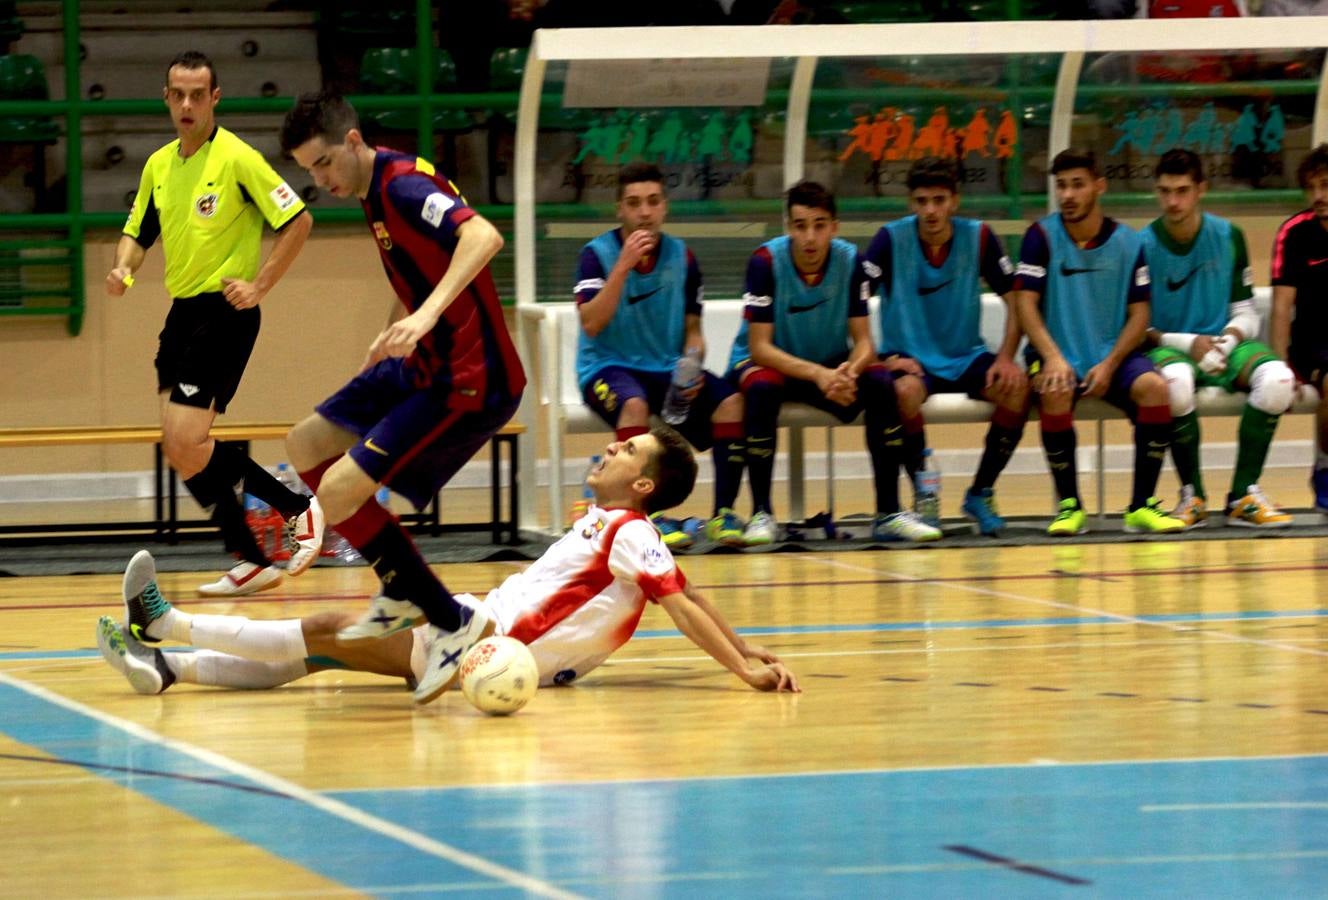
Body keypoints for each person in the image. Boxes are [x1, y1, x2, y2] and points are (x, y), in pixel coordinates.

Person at [100, 428, 800, 698]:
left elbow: (679, 605)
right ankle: (169, 669)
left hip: (481, 640)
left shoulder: (628, 529)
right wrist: (746, 647)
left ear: (642, 485)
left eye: (628, 453)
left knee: (323, 628)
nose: (613, 449)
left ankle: (166, 626)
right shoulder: (620, 528)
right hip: (479, 626)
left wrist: (742, 670)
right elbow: (689, 592)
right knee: (320, 657)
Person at [272, 92, 526, 705]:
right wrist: (399, 329)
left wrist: (426, 316)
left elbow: (483, 237)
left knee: (338, 492)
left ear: (354, 142)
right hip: (420, 363)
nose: (320, 179)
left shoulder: (405, 186)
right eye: (310, 170)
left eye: (326, 163)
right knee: (304, 443)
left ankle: (449, 621)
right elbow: (422, 270)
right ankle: (398, 583)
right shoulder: (371, 191)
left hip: (471, 379)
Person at [105, 51, 322, 598]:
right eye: (177, 94)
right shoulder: (159, 165)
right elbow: (138, 231)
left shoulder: (238, 158)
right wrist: (123, 269)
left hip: (226, 314)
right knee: (179, 447)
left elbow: (297, 220)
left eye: (197, 95)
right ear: (166, 97)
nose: (186, 104)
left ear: (215, 98)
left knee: (186, 436)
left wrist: (261, 285)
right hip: (181, 314)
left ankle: (299, 509)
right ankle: (252, 557)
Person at [728, 180, 927, 543]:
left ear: (834, 228)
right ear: (788, 227)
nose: (810, 237)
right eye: (800, 225)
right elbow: (760, 347)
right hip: (773, 363)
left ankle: (888, 512)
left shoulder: (852, 261)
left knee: (882, 382)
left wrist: (848, 372)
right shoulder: (765, 262)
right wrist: (821, 375)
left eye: (819, 225)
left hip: (828, 365)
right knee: (761, 388)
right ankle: (761, 514)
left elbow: (865, 341)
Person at [575, 162, 747, 548]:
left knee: (731, 402)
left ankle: (723, 515)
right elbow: (591, 324)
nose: (644, 212)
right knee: (634, 406)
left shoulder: (683, 257)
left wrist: (692, 363)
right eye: (634, 203)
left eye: (653, 202)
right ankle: (642, 517)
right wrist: (622, 266)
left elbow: (693, 330)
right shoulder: (596, 255)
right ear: (620, 209)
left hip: (666, 369)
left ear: (664, 207)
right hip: (606, 367)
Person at [1013, 148, 1185, 536]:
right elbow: (1026, 305)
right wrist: (1053, 358)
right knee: (1055, 390)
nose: (1068, 195)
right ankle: (1070, 505)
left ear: (1099, 187)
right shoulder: (1040, 237)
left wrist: (1109, 364)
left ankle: (1142, 505)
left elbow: (1140, 315)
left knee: (1156, 388)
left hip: (1113, 354)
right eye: (1061, 186)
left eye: (1077, 184)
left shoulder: (1127, 242)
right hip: (1058, 353)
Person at [864, 157, 1028, 537]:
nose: (931, 210)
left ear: (955, 201)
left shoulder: (980, 237)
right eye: (922, 201)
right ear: (911, 203)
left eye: (939, 200)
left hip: (965, 355)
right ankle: (925, 492)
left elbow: (1018, 302)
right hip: (910, 358)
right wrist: (877, 361)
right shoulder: (889, 240)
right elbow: (852, 308)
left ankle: (981, 492)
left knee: (1017, 389)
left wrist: (1005, 357)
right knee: (902, 392)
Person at [1142, 148, 1294, 529]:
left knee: (1279, 381)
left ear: (1201, 189)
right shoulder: (1139, 245)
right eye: (1164, 191)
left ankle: (1244, 494)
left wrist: (1225, 343)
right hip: (1167, 349)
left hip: (1224, 344)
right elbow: (1137, 327)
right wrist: (1188, 343)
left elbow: (1244, 312)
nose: (1172, 201)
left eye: (1181, 190)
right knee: (1175, 385)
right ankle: (1192, 495)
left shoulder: (1229, 236)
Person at [1272, 143, 1328, 512]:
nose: (1317, 196)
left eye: (1325, 185)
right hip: (1314, 346)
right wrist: (1277, 368)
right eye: (1311, 188)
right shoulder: (1294, 232)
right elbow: (1281, 305)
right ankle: (1325, 468)